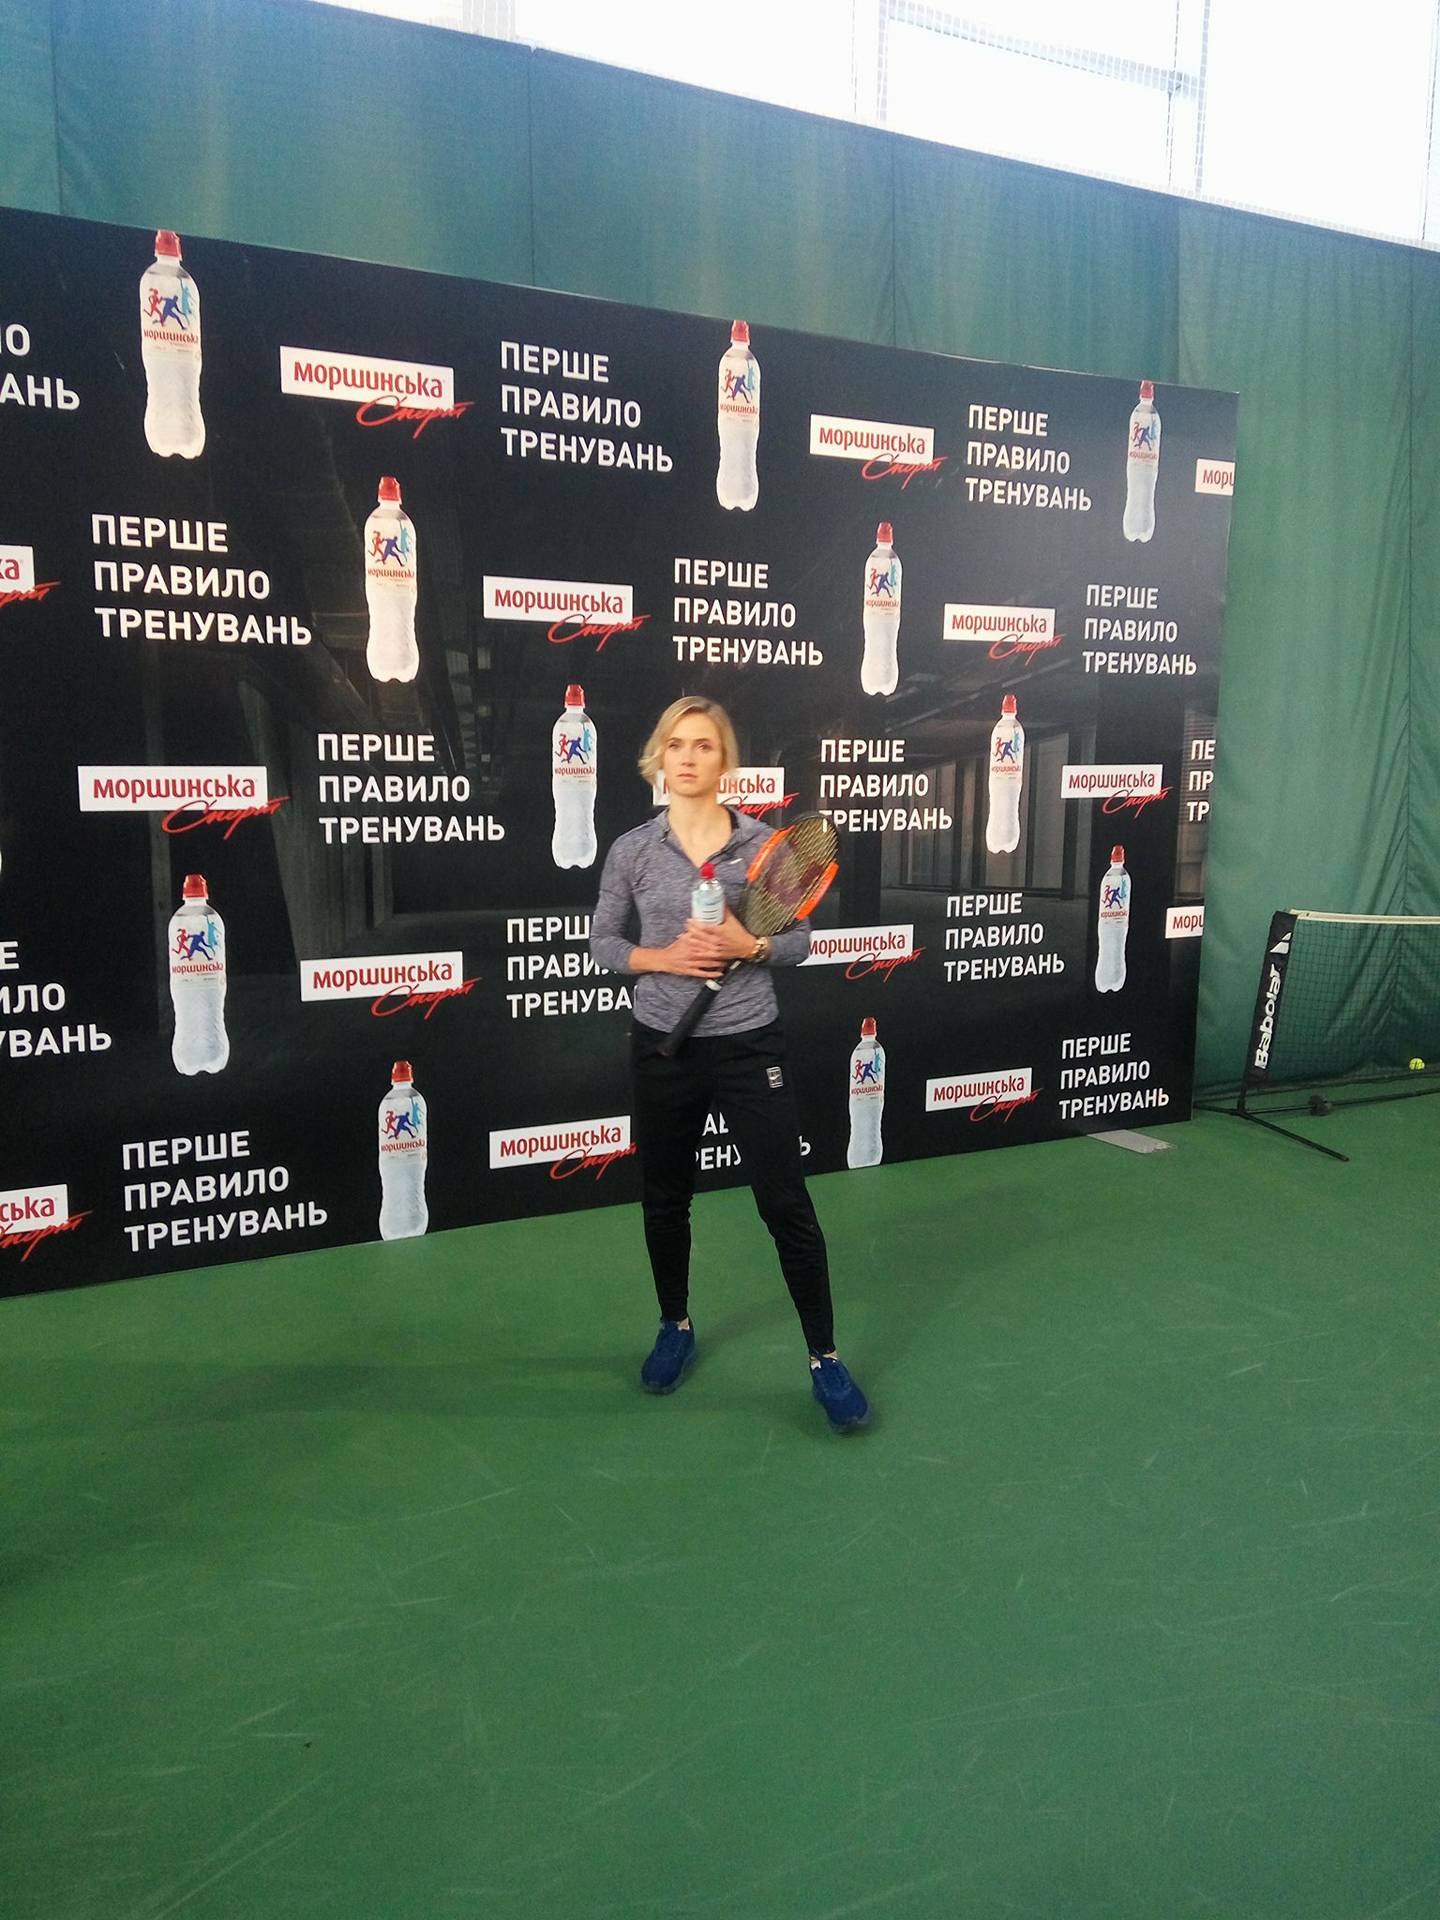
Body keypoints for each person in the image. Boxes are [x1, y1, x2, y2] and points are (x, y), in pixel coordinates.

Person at [589, 696, 869, 1433]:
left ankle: (825, 1358)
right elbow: (604, 942)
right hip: (663, 1044)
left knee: (786, 1204)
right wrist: (665, 958)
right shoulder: (632, 850)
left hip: (750, 1044)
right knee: (666, 1198)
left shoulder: (763, 845)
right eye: (676, 744)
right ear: (660, 756)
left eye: (704, 745)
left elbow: (799, 939)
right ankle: (674, 1325)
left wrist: (752, 946)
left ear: (724, 761)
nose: (688, 757)